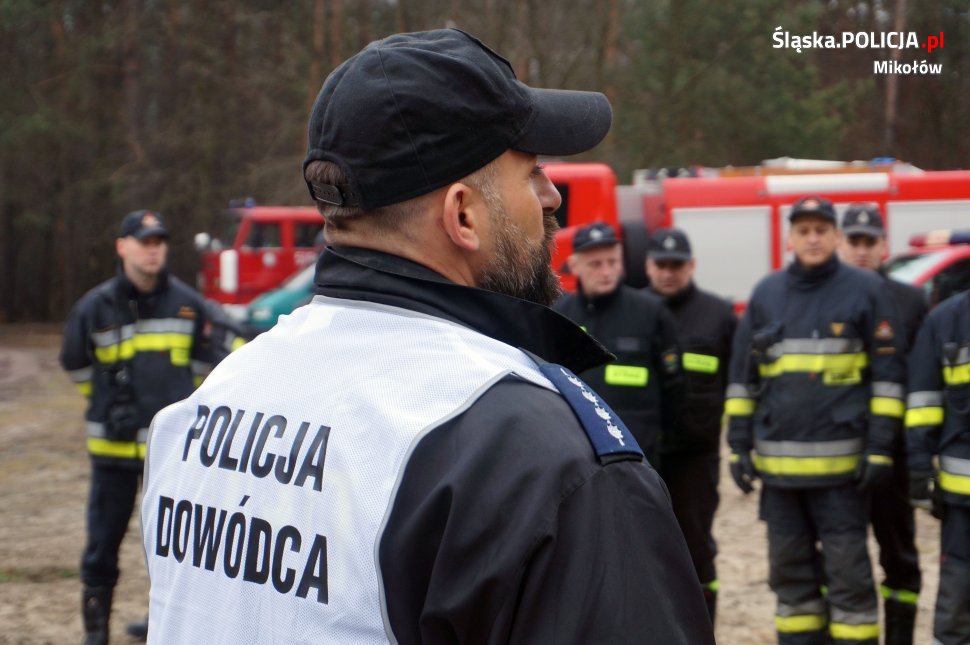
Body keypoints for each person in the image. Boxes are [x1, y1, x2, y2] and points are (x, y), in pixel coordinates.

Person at [139, 28, 713, 644]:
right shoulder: (535, 455)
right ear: (463, 214)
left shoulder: (203, 408)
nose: (552, 199)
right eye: (533, 173)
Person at [725, 196, 907, 645]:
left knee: (849, 582)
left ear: (835, 236)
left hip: (843, 478)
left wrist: (881, 447)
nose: (812, 238)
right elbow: (743, 379)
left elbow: (887, 378)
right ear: (789, 238)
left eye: (820, 230)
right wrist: (738, 446)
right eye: (803, 230)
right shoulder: (767, 294)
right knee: (791, 584)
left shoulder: (867, 291)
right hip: (780, 480)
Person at [60, 210, 221, 645]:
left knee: (172, 552)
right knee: (101, 550)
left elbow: (209, 368)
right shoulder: (94, 307)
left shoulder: (189, 305)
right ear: (122, 247)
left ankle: (161, 626)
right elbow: (74, 362)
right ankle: (97, 634)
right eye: (144, 241)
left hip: (170, 458)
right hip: (112, 455)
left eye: (160, 241)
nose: (154, 249)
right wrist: (102, 403)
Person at [839, 203, 927, 644]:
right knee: (843, 557)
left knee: (900, 557)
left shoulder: (911, 300)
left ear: (884, 246)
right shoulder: (828, 298)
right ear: (841, 244)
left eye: (868, 241)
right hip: (841, 452)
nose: (860, 250)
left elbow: (923, 378)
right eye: (853, 241)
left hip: (893, 455)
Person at [645, 227, 736, 621]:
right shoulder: (633, 311)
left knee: (696, 547)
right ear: (648, 266)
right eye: (661, 265)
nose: (669, 273)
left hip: (696, 457)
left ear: (692, 266)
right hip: (643, 454)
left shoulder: (718, 314)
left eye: (677, 265)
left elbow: (739, 378)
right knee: (645, 543)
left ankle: (702, 626)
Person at [551, 222, 684, 466]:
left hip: (638, 453)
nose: (606, 271)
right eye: (595, 264)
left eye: (612, 262)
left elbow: (674, 386)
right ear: (575, 266)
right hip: (580, 452)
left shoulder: (651, 312)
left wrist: (667, 441)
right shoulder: (559, 316)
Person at [906, 288, 970, 645]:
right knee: (956, 611)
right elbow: (923, 399)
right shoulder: (946, 319)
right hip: (963, 504)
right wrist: (919, 466)